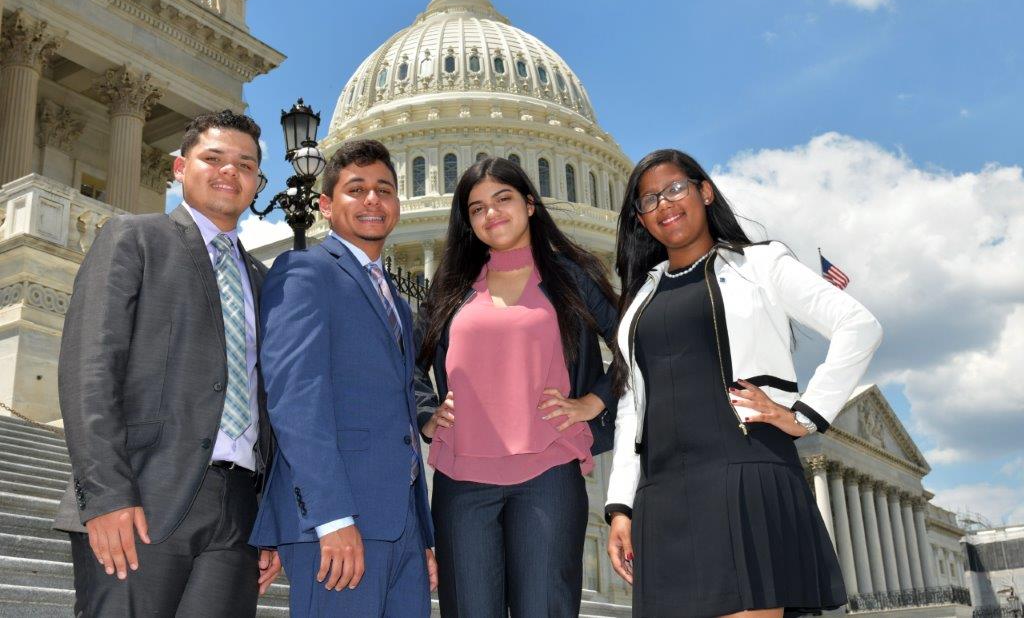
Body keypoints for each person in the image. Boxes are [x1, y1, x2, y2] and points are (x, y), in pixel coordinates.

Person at [604, 149, 883, 618]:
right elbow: (633, 404)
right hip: (663, 492)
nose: (665, 204)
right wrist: (619, 506)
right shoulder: (641, 298)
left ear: (704, 191)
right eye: (649, 199)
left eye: (675, 189)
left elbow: (859, 325)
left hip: (745, 472)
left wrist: (805, 415)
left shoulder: (760, 265)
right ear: (640, 219)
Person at [53, 111, 281, 616]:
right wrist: (106, 495)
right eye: (213, 158)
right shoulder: (133, 238)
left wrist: (270, 519)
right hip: (142, 498)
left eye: (245, 165)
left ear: (257, 183)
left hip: (238, 511)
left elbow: (271, 406)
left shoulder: (265, 282)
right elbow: (90, 370)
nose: (230, 172)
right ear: (180, 167)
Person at [415, 156, 619, 618]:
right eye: (477, 208)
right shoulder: (452, 285)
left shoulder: (573, 278)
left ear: (530, 203)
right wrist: (426, 412)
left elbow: (633, 341)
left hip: (547, 472)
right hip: (462, 478)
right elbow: (407, 362)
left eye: (503, 199)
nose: (492, 213)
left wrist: (594, 401)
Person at [250, 139, 436, 617]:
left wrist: (423, 532)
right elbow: (296, 400)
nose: (373, 199)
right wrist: (331, 517)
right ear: (326, 206)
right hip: (339, 521)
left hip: (401, 528)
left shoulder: (394, 296)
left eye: (384, 189)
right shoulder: (304, 272)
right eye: (357, 189)